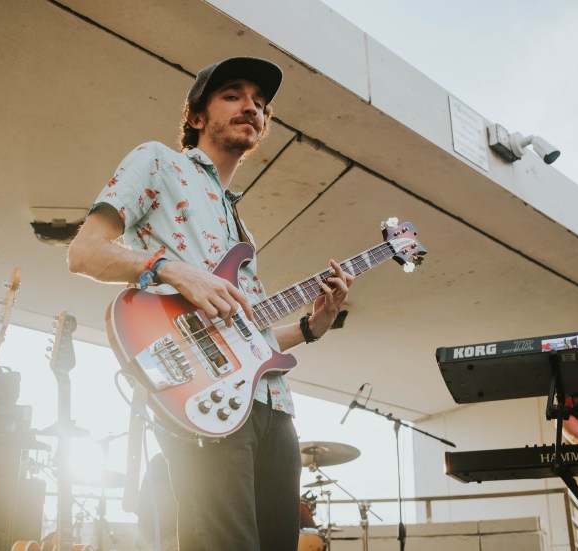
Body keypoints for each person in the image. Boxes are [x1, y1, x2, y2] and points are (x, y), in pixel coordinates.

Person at [67, 56, 353, 551]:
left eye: (260, 103)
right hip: (202, 400)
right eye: (233, 95)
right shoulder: (159, 162)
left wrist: (311, 328)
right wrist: (169, 267)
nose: (252, 107)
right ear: (197, 117)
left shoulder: (241, 227)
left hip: (272, 404)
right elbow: (84, 252)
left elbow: (249, 338)